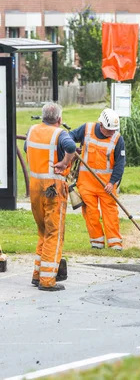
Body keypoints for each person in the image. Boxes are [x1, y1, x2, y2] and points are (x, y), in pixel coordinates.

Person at [25, 103, 76, 291]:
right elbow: (71, 147)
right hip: (52, 189)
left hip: (35, 188)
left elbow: (26, 148)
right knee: (54, 233)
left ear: (42, 116)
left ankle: (37, 275)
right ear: (59, 119)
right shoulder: (60, 134)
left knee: (43, 231)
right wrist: (64, 162)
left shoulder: (32, 131)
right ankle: (47, 281)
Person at [70, 108, 126, 250]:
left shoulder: (117, 139)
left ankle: (115, 243)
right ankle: (97, 242)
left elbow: (120, 164)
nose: (112, 132)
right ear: (101, 125)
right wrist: (71, 148)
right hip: (86, 183)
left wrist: (112, 182)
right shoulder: (86, 129)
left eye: (114, 130)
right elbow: (70, 137)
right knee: (90, 213)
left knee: (110, 213)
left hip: (107, 185)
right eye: (109, 130)